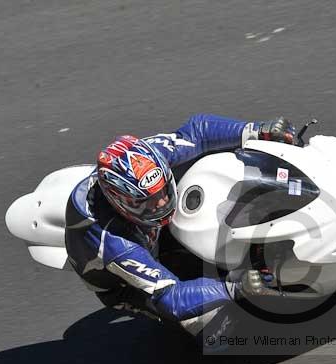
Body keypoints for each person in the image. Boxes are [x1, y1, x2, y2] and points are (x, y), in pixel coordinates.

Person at [64, 114, 295, 341]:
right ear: (119, 202)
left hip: (147, 229)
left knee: (208, 158)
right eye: (148, 201)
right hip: (126, 285)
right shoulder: (114, 243)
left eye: (162, 191)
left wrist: (258, 129)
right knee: (212, 329)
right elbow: (171, 298)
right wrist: (236, 288)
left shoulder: (146, 158)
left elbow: (197, 133)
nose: (163, 203)